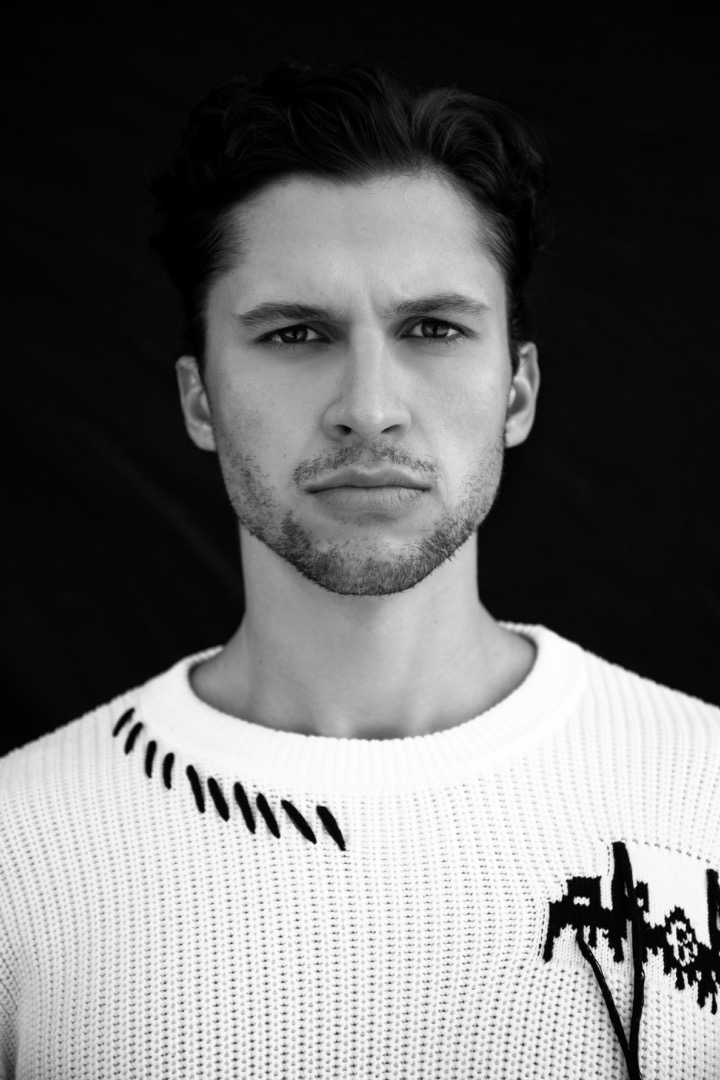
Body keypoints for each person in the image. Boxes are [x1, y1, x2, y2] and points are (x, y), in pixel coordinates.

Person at [1, 57, 717, 1080]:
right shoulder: (20, 848)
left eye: (433, 329)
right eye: (296, 333)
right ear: (200, 401)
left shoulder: (705, 791)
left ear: (517, 393)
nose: (369, 409)